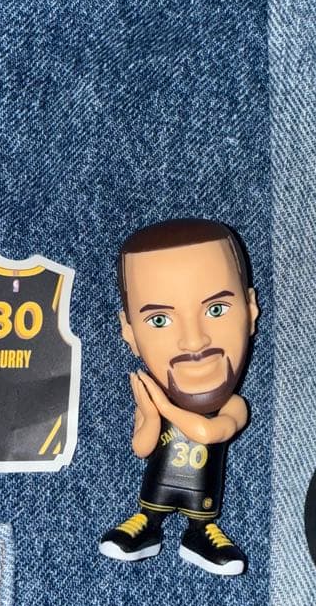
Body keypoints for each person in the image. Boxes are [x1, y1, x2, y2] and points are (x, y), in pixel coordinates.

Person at [99, 218, 259, 575]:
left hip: (201, 496)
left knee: (202, 515)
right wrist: (148, 414)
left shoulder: (232, 406)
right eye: (159, 320)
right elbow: (142, 448)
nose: (194, 340)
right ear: (129, 332)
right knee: (150, 507)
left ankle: (200, 533)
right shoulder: (154, 401)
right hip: (157, 489)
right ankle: (147, 525)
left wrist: (163, 406)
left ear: (251, 310)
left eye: (216, 310)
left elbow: (209, 432)